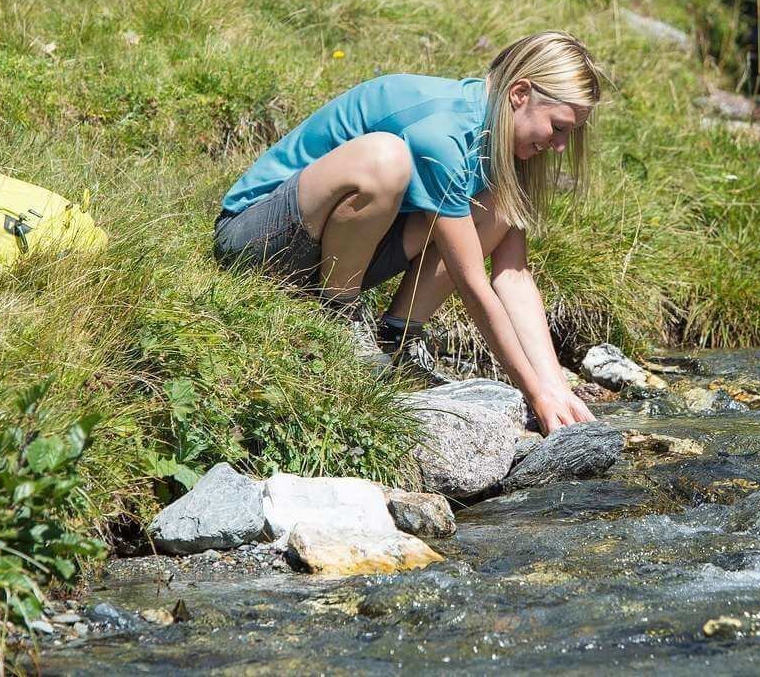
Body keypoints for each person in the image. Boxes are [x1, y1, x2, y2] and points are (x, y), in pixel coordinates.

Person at [213, 32, 602, 433]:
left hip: (330, 254)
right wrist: (533, 394)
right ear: (520, 93)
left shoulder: (498, 147)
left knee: (501, 203)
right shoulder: (446, 133)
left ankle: (393, 341)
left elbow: (514, 277)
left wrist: (556, 387)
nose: (559, 147)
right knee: (386, 158)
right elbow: (473, 285)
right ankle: (341, 318)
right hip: (257, 239)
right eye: (558, 128)